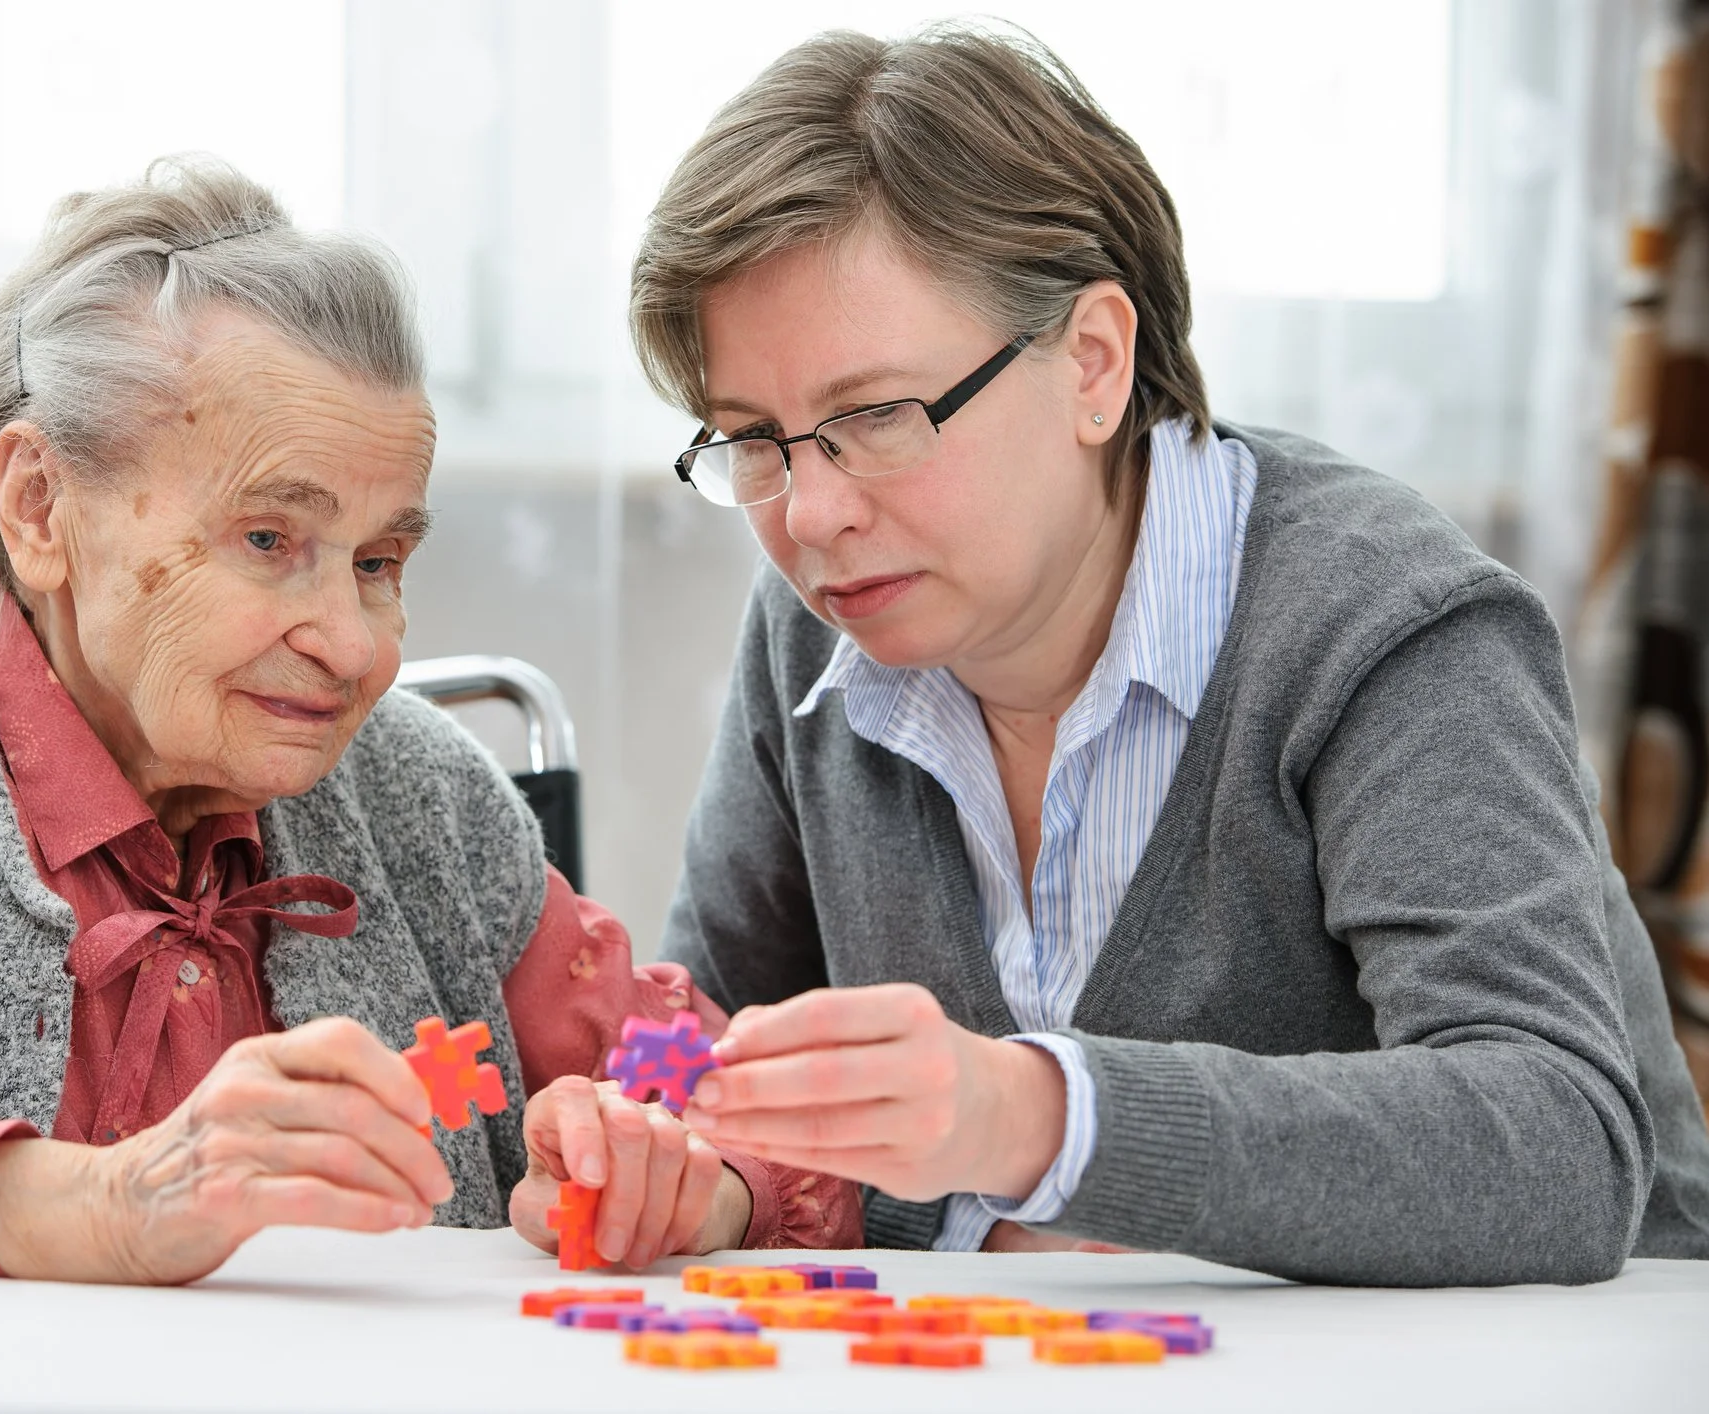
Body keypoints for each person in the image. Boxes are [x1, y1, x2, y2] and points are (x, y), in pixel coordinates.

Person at [0, 158, 858, 1282]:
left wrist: (691, 1166)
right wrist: (84, 1203)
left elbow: (704, 1076)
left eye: (378, 562)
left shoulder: (427, 802)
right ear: (40, 507)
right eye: (269, 540)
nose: (356, 647)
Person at [631, 23, 1709, 1284]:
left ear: (1093, 362)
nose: (809, 518)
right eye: (753, 438)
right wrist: (656, 1149)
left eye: (874, 416)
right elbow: (707, 1044)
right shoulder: (821, 618)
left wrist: (1033, 1113)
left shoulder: (1386, 623)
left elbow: (1557, 1146)